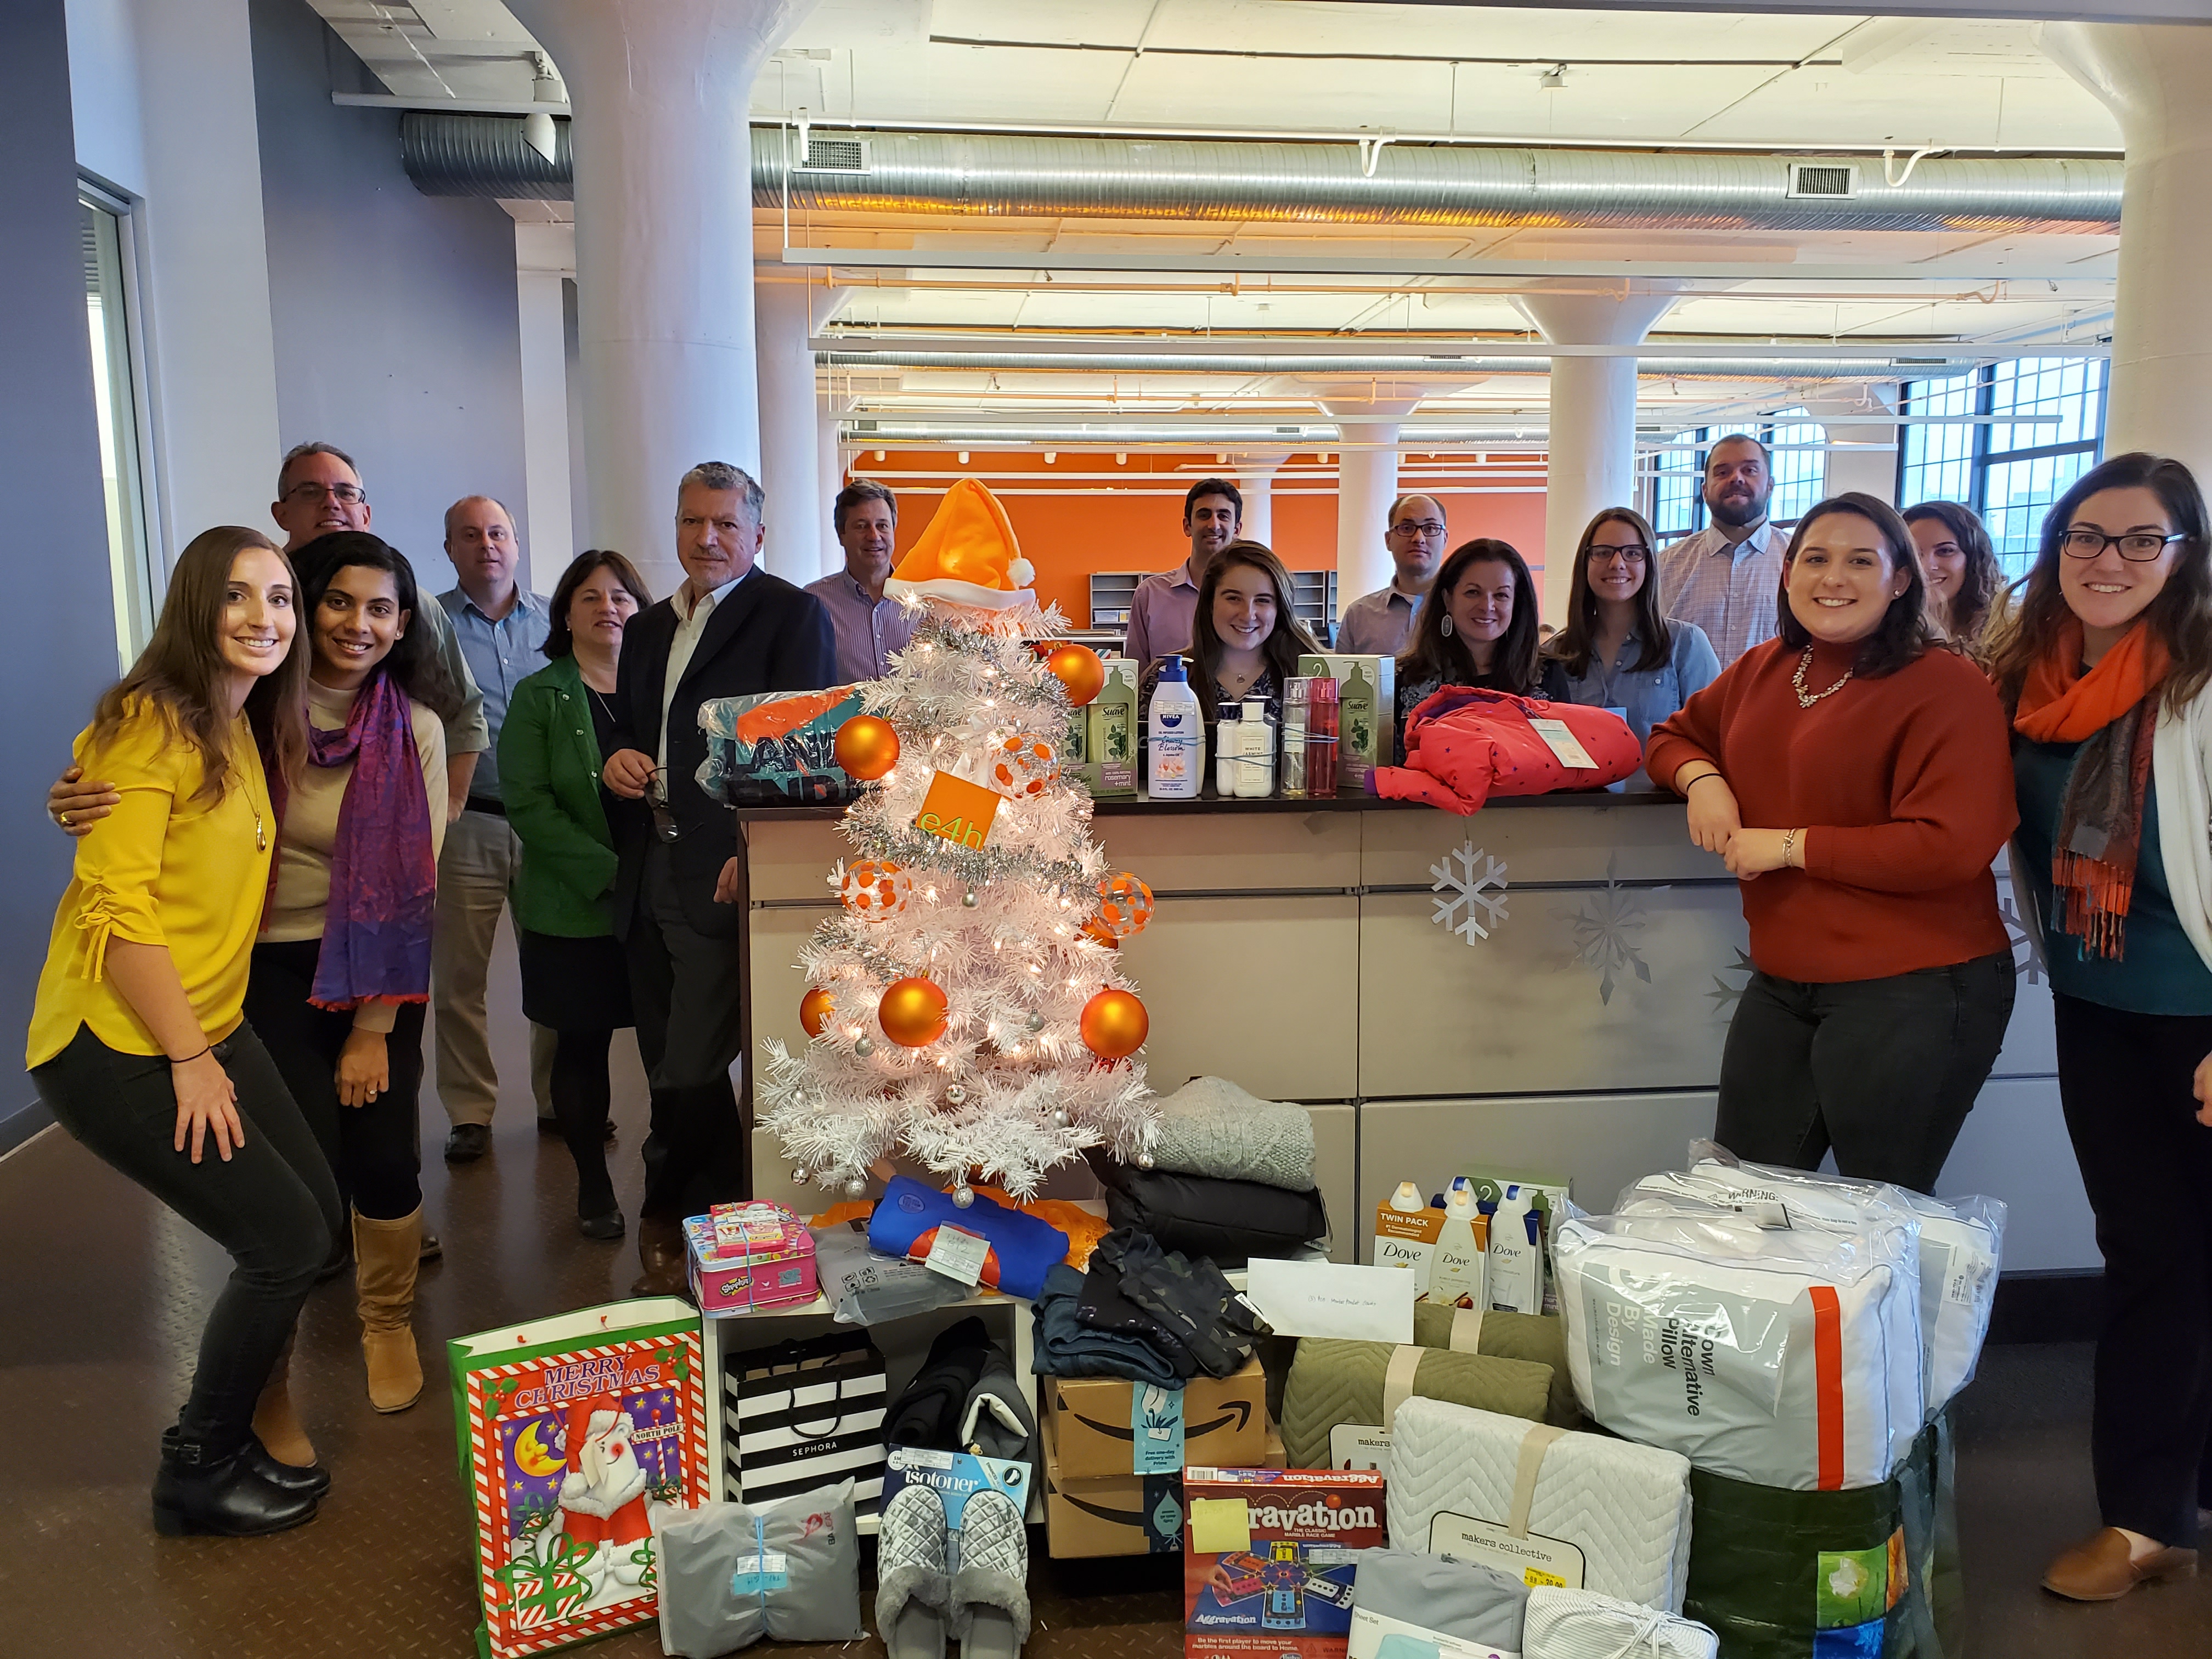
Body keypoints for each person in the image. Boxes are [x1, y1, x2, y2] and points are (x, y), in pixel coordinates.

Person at [27, 525, 337, 1536]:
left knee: (316, 1214)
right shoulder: (148, 728)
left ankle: (245, 1427)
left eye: (281, 598)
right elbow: (117, 913)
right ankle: (198, 1466)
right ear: (195, 606)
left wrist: (209, 1042)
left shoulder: (237, 723)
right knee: (283, 1241)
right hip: (122, 1044)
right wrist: (192, 1059)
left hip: (209, 1021)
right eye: (239, 595)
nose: (265, 617)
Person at [1646, 492, 2017, 1194]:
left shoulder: (1946, 683)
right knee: (1741, 1201)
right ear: (1788, 573)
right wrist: (1704, 782)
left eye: (1860, 562)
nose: (1834, 578)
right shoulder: (1768, 667)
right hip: (1785, 980)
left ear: (1900, 579)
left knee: (1879, 1214)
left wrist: (1790, 847)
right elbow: (1672, 737)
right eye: (1815, 559)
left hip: (1915, 985)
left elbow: (1947, 847)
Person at [1986, 454, 2212, 1603]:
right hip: (2099, 1007)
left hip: (2201, 1013)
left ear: (2185, 555)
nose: (2107, 560)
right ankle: (2155, 1508)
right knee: (2149, 1249)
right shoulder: (2026, 677)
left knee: (2179, 1257)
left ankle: (2149, 1514)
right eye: (2085, 536)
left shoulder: (2200, 680)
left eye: (2139, 539)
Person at [599, 463, 837, 1296]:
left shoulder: (791, 616)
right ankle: (720, 1216)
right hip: (650, 861)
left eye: (726, 524)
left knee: (693, 1064)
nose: (707, 538)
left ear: (757, 535)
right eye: (692, 521)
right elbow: (632, 728)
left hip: (727, 866)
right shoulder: (649, 628)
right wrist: (617, 758)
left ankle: (674, 1211)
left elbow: (808, 752)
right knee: (661, 1052)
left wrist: (760, 844)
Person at [242, 533, 452, 1417]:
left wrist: (373, 1028)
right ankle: (269, 1357)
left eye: (379, 608)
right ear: (305, 605)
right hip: (264, 966)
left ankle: (387, 1322)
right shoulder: (248, 711)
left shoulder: (418, 730)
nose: (357, 624)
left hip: (377, 972)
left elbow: (413, 888)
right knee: (299, 1170)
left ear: (402, 625)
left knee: (384, 1156)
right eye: (338, 601)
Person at [500, 551, 654, 1240]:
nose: (607, 608)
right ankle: (594, 1187)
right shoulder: (540, 695)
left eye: (620, 596)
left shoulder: (663, 690)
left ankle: (670, 1183)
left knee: (669, 1051)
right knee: (582, 1047)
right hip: (575, 906)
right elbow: (528, 804)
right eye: (589, 597)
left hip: (660, 903)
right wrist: (612, 874)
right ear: (564, 614)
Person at [432, 495, 558, 1163]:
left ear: (515, 543)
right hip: (468, 822)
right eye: (471, 535)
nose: (487, 545)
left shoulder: (556, 621)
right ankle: (469, 1111)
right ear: (450, 549)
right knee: (459, 978)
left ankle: (559, 1100)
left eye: (498, 533)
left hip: (545, 826)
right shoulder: (429, 625)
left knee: (554, 968)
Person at [1545, 506, 1721, 786]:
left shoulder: (1686, 645)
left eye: (1632, 553)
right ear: (1585, 562)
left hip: (1662, 808)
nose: (1617, 563)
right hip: (1576, 807)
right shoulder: (1555, 653)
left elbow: (1714, 740)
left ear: (1649, 563)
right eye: (1603, 552)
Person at [1138, 541, 1320, 789]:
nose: (1248, 614)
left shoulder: (1308, 677)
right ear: (1210, 602)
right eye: (1234, 598)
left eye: (1263, 600)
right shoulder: (1165, 677)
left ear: (1280, 608)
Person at [1393, 538, 1565, 761]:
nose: (1487, 606)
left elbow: (1567, 762)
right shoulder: (1407, 678)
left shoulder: (1547, 674)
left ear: (1516, 604)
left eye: (1501, 595)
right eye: (1473, 592)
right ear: (1448, 599)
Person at [1656, 433, 1792, 664]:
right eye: (1722, 472)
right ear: (1705, 490)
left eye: (1750, 470)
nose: (1736, 478)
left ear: (1770, 486)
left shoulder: (1800, 563)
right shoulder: (1664, 566)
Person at [1122, 478, 1243, 665]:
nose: (1214, 525)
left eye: (1223, 516)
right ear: (1187, 526)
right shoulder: (1150, 595)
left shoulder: (1251, 599)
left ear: (1237, 529)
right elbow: (1135, 672)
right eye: (1204, 515)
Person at [805, 479, 916, 682]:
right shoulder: (815, 602)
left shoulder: (926, 599)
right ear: (841, 535)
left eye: (882, 526)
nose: (874, 536)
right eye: (861, 526)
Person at [1336, 494, 1447, 657]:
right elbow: (1341, 674)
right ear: (1388, 540)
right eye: (1407, 528)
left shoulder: (1464, 611)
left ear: (1445, 539)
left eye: (1430, 528)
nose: (1419, 538)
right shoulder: (1358, 615)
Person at [1903, 499, 2010, 652]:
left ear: (1973, 559)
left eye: (1945, 551)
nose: (1925, 567)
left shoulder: (2013, 637)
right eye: (1914, 553)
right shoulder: (1881, 636)